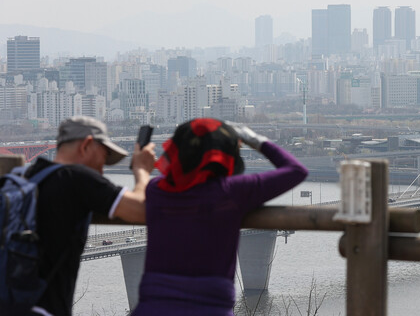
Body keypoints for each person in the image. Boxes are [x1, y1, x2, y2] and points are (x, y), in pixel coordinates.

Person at [132, 118, 308, 316]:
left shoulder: (156, 191)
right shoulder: (231, 193)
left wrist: (140, 168)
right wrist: (255, 140)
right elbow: (296, 171)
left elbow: (143, 186)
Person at [25, 116, 156, 316]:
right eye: (104, 157)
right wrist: (142, 171)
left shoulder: (28, 176)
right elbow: (143, 210)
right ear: (86, 145)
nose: (103, 170)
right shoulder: (78, 178)